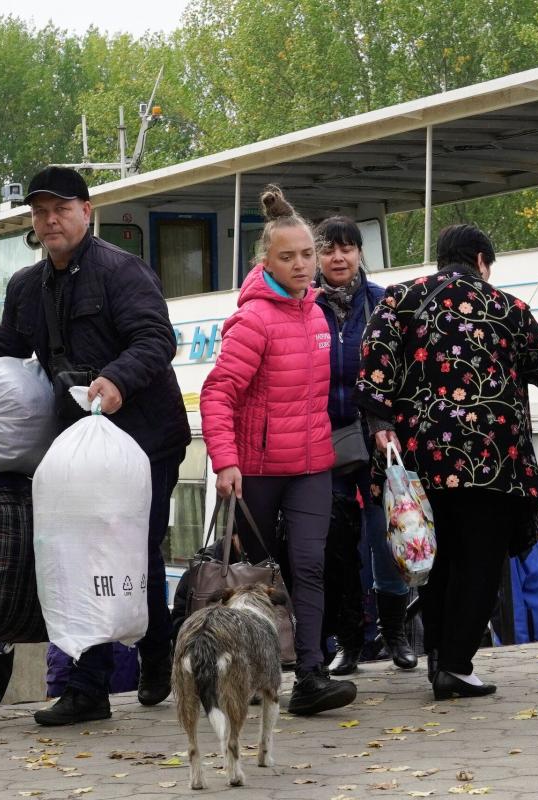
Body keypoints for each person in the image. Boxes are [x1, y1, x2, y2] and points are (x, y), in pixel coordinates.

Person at [0, 166, 191, 725]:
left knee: (137, 549)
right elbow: (2, 355)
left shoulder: (122, 271)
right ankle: (88, 689)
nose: (50, 219)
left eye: (61, 208)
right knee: (80, 554)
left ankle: (155, 651)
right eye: (40, 211)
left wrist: (118, 379)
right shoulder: (25, 287)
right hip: (77, 448)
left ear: (86, 212)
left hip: (145, 440)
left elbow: (157, 339)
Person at [355, 223, 538, 700]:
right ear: (481, 261)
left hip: (421, 456)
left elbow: (373, 365)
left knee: (434, 560)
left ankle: (440, 659)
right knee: (479, 562)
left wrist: (380, 422)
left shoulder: (399, 299)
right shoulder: (509, 308)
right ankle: (457, 665)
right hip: (493, 460)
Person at [200, 185, 357, 716]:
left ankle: (310, 675)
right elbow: (218, 393)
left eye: (308, 254)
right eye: (288, 257)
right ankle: (249, 674)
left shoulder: (317, 313)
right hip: (259, 470)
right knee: (255, 578)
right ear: (265, 262)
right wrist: (226, 461)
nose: (301, 265)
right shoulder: (253, 320)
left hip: (311, 465)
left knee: (310, 566)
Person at [312, 216, 415, 676]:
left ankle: (395, 634)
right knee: (338, 548)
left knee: (386, 536)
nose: (338, 257)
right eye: (329, 249)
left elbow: (401, 373)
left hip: (375, 439)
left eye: (347, 248)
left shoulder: (382, 303)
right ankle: (349, 641)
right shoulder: (304, 306)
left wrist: (386, 422)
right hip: (321, 441)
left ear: (359, 254)